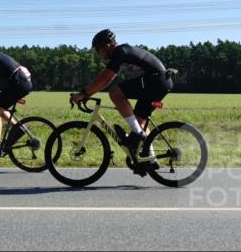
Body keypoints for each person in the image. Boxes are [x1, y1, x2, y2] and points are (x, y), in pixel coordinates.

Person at [70, 29, 173, 157]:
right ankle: (151, 162)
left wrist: (84, 93)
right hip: (161, 82)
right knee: (139, 123)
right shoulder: (121, 52)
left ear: (107, 46)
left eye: (98, 50)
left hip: (156, 80)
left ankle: (137, 135)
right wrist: (87, 94)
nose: (98, 54)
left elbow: (106, 77)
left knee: (115, 93)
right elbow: (107, 80)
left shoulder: (119, 51)